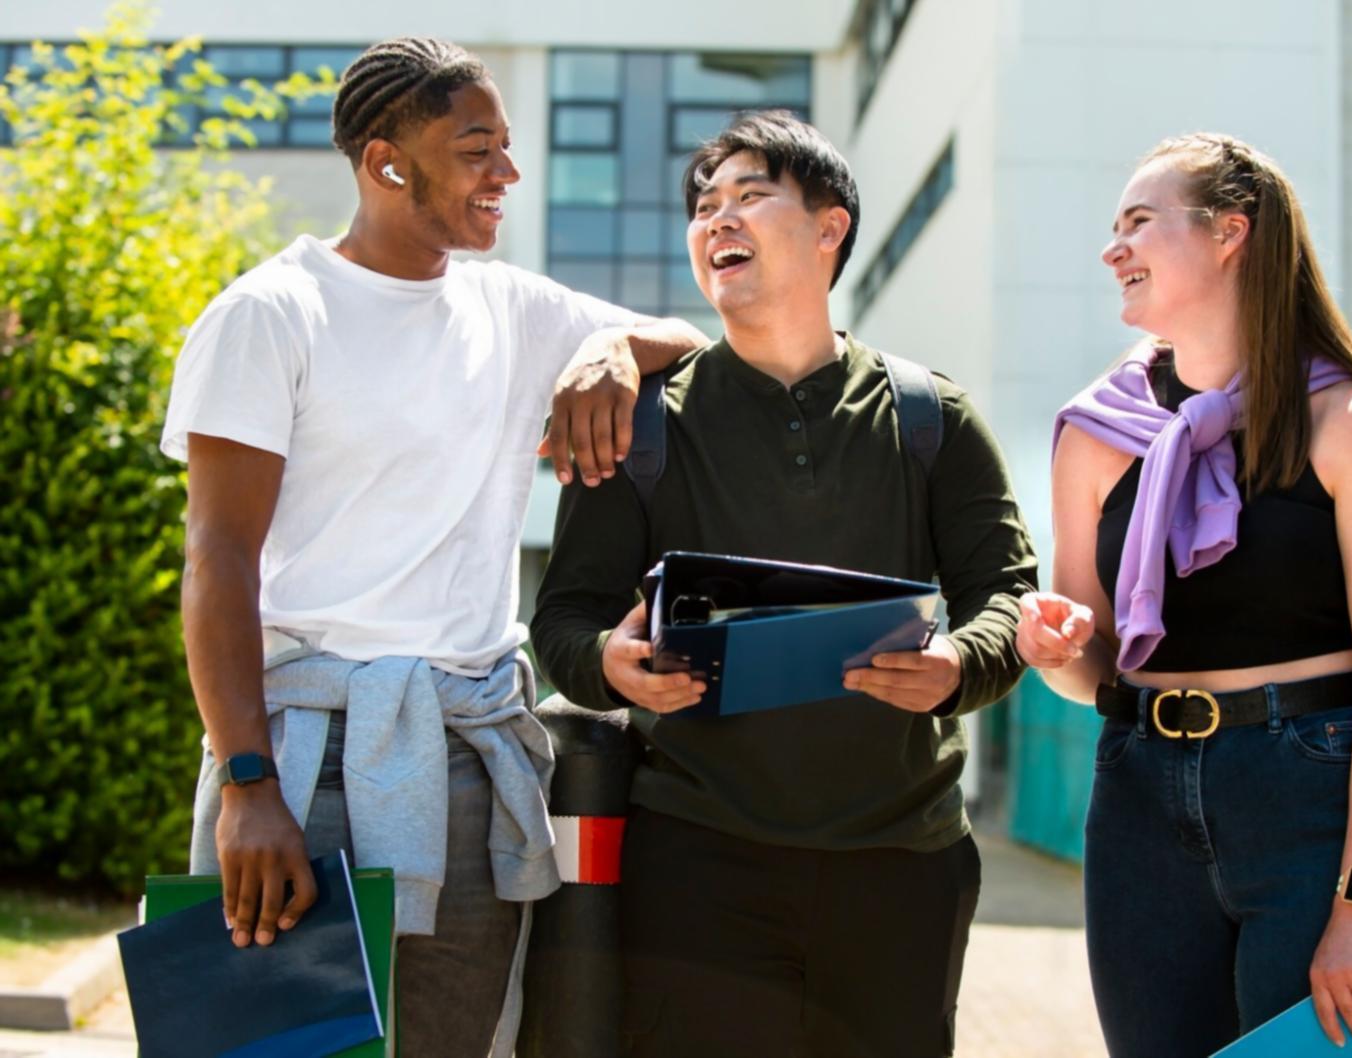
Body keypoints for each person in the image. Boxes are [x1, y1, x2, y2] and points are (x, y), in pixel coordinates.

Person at [161, 37, 706, 1058]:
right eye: (475, 149)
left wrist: (604, 345)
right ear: (385, 162)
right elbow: (217, 558)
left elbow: (692, 339)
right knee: (279, 1047)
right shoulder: (269, 315)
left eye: (506, 146)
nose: (506, 172)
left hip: (465, 755)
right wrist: (247, 786)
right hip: (302, 754)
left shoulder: (516, 308)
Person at [531, 111, 1038, 1058]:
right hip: (693, 859)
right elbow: (561, 615)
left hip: (905, 862)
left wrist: (958, 665)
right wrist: (609, 662)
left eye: (750, 194)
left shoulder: (933, 417)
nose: (717, 218)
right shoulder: (642, 425)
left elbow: (1006, 590)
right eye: (703, 205)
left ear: (829, 227)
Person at [1015, 132, 1352, 1057]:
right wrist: (1053, 650)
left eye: (1138, 223)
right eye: (1111, 227)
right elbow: (1091, 671)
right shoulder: (1096, 433)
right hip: (1135, 801)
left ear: (1229, 234)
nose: (1111, 249)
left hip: (1309, 800)